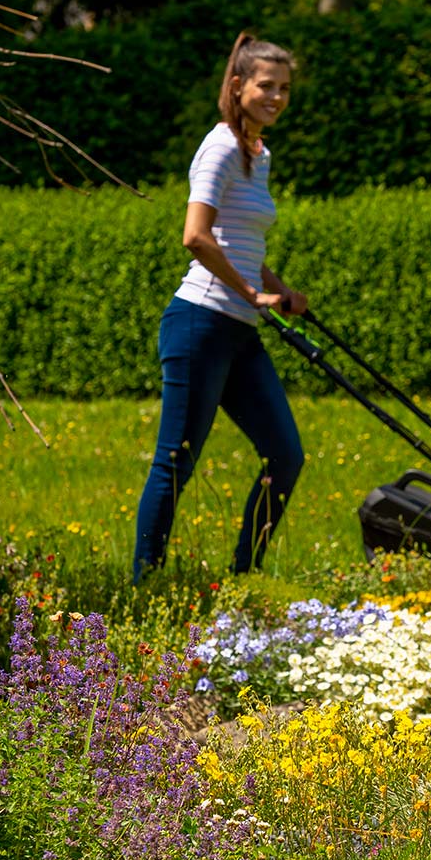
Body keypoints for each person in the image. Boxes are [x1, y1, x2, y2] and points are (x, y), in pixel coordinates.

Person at [134, 32, 310, 582]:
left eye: (284, 88)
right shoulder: (220, 147)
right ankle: (146, 582)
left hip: (239, 329)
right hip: (200, 323)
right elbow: (196, 237)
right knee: (175, 462)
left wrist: (279, 289)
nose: (276, 97)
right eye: (265, 85)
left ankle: (244, 574)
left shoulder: (259, 153)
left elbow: (239, 243)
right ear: (237, 86)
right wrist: (250, 292)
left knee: (285, 455)